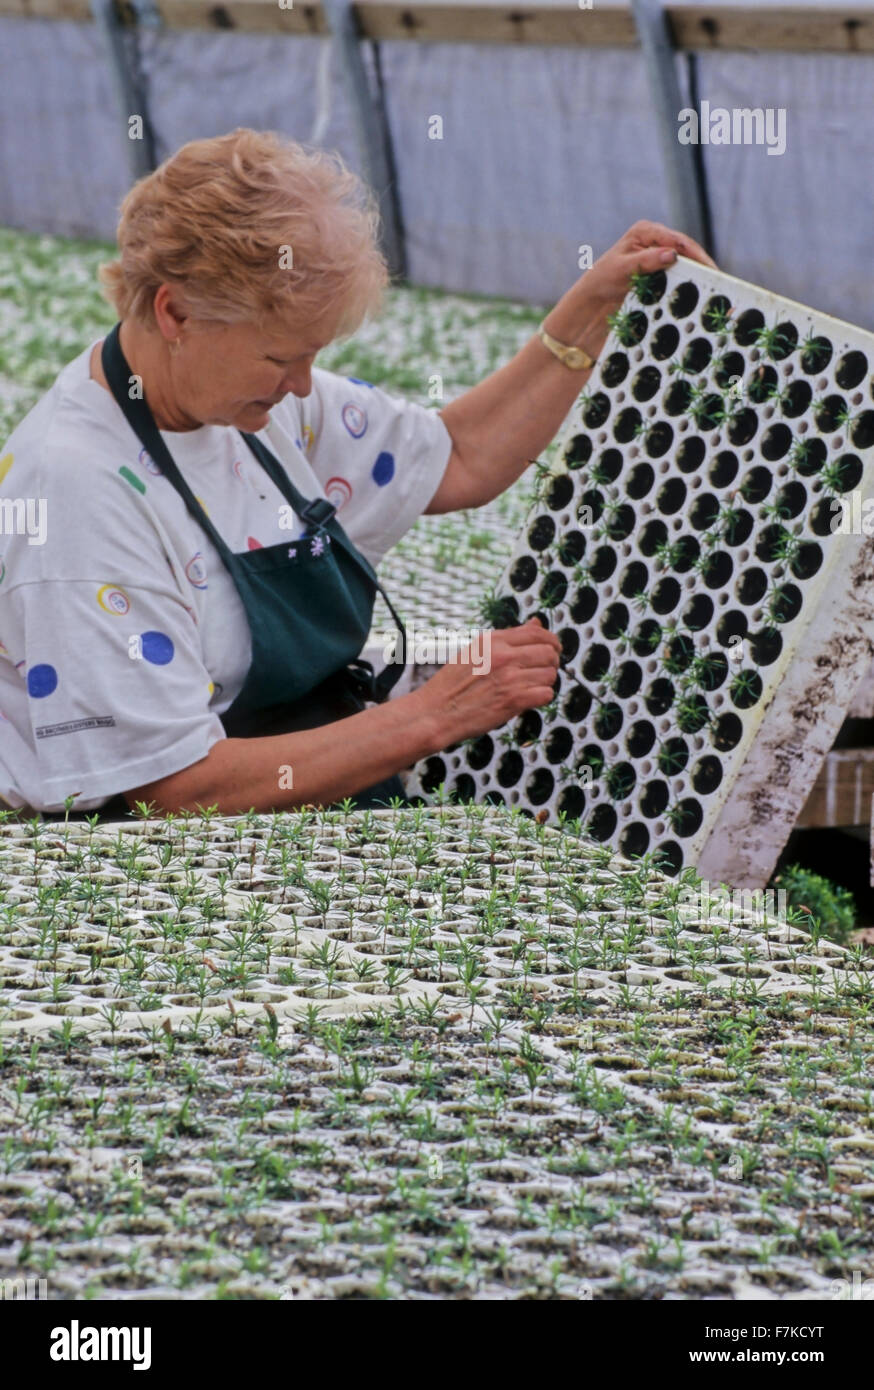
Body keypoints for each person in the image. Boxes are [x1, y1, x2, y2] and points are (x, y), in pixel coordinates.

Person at [0, 128, 715, 818]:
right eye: (281, 357)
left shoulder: (246, 407)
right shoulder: (79, 488)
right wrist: (433, 716)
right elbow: (173, 791)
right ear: (176, 312)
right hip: (160, 862)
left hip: (304, 814)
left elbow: (456, 458)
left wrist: (589, 314)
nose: (305, 386)